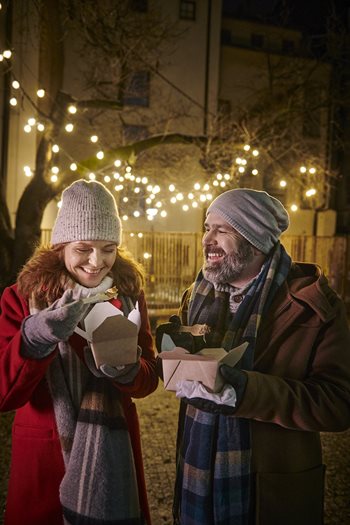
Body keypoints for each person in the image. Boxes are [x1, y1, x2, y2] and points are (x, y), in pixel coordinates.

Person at [164, 188, 350, 525]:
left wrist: (245, 391)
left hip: (266, 490)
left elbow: (337, 404)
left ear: (255, 239)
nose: (208, 239)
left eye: (223, 229)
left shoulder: (314, 307)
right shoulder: (196, 295)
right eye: (208, 227)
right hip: (196, 474)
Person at [0, 179, 159, 525]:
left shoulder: (130, 294)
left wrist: (127, 371)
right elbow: (4, 393)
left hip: (113, 457)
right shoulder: (23, 298)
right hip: (46, 457)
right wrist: (37, 335)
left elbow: (149, 379)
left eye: (108, 248)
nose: (97, 261)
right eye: (84, 248)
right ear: (60, 246)